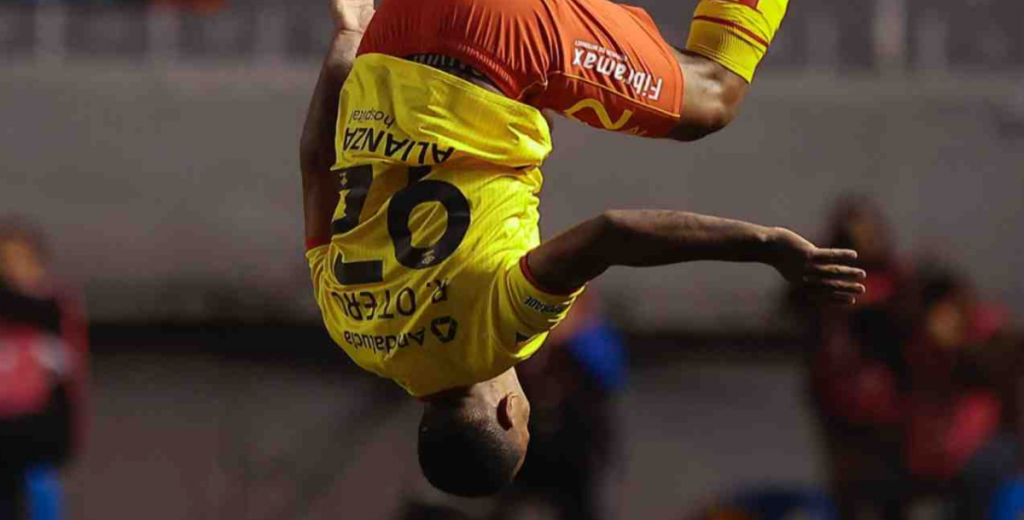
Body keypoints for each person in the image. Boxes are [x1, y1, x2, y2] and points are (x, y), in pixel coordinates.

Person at [300, 0, 867, 497]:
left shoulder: (498, 337)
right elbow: (314, 161)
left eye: (527, 422)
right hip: (391, 35)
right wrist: (351, 35)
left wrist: (768, 247)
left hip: (494, 45)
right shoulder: (351, 330)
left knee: (712, 95)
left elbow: (611, 233)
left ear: (506, 413)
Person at [0, 218, 88, 520]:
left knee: (39, 491)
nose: (13, 271)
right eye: (5, 262)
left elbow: (69, 386)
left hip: (34, 446)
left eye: (22, 261)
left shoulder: (53, 313)